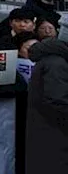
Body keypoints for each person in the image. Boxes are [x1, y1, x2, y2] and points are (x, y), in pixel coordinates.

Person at [26, 38, 68, 172]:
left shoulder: (52, 60)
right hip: (55, 134)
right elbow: (56, 101)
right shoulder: (57, 63)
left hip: (47, 132)